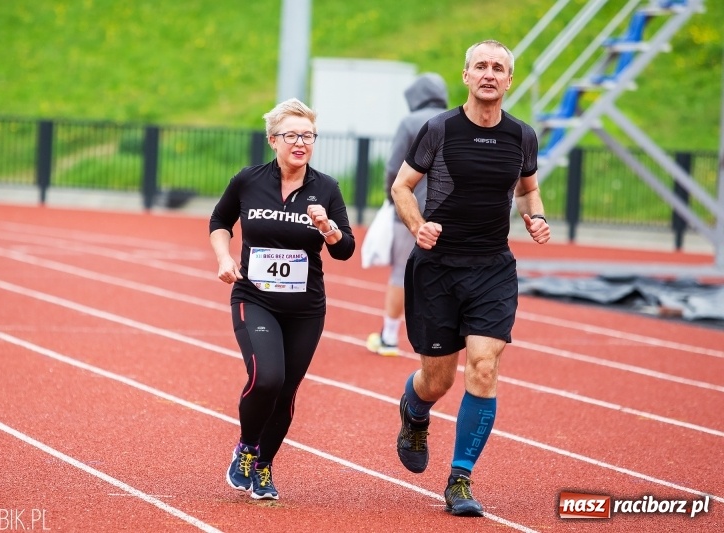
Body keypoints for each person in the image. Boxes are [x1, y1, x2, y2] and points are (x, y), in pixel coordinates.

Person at [390, 40, 550, 517]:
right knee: (437, 381)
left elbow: (529, 189)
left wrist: (534, 216)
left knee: (483, 366)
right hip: (438, 268)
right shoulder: (437, 129)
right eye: (480, 65)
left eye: (498, 68)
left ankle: (460, 478)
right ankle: (415, 412)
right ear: (465, 75)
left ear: (509, 80)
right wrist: (420, 228)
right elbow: (401, 186)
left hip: (492, 267)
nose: (489, 73)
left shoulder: (522, 136)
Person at [209, 98, 355, 500]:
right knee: (267, 378)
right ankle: (246, 448)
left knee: (287, 391)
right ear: (273, 140)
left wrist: (328, 229)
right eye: (291, 135)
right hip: (255, 298)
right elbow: (220, 220)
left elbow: (345, 250)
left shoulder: (326, 187)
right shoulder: (248, 180)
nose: (300, 143)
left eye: (308, 136)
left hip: (305, 308)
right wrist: (224, 257)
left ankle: (265, 465)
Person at [366, 73, 449, 357]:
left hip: (412, 209)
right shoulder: (456, 120)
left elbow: (394, 167)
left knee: (403, 271)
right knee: (446, 275)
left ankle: (389, 337)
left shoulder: (411, 122)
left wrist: (392, 199)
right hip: (449, 212)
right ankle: (442, 340)